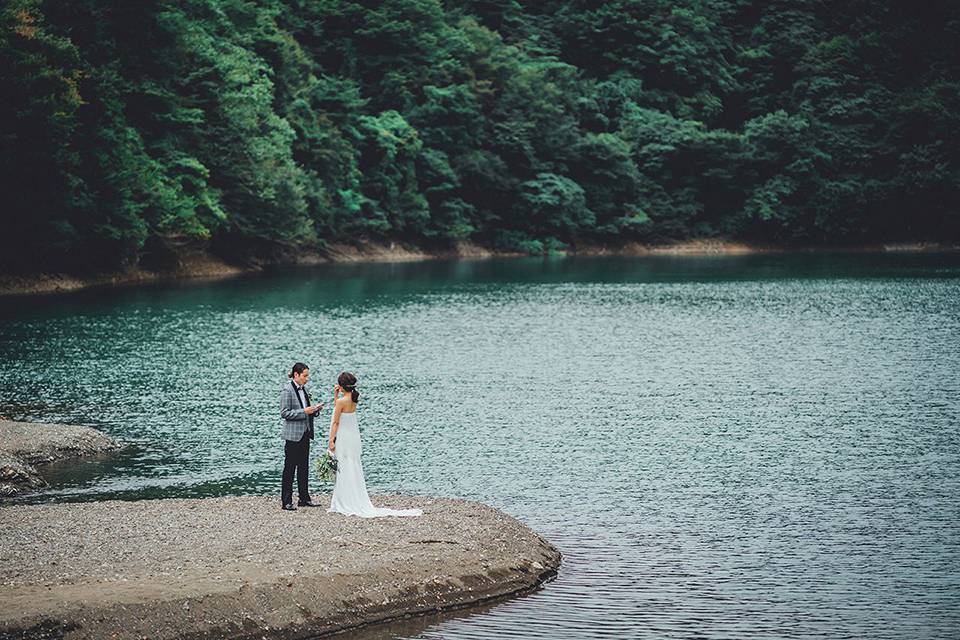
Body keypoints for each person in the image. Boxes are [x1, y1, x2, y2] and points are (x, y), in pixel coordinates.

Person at [327, 372, 422, 517]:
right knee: (352, 465)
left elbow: (336, 421)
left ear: (341, 386)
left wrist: (331, 441)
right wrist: (336, 395)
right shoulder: (352, 399)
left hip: (344, 436)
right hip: (353, 436)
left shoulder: (341, 401)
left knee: (344, 466)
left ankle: (345, 499)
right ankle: (352, 497)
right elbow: (338, 410)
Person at [280, 362, 324, 511]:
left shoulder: (303, 389)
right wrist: (304, 412)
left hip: (305, 434)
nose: (307, 379)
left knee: (304, 467)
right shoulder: (287, 390)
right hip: (293, 436)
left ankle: (304, 499)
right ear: (296, 375)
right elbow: (284, 413)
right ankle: (286, 501)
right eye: (305, 376)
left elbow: (306, 410)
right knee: (289, 468)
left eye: (307, 376)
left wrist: (315, 410)